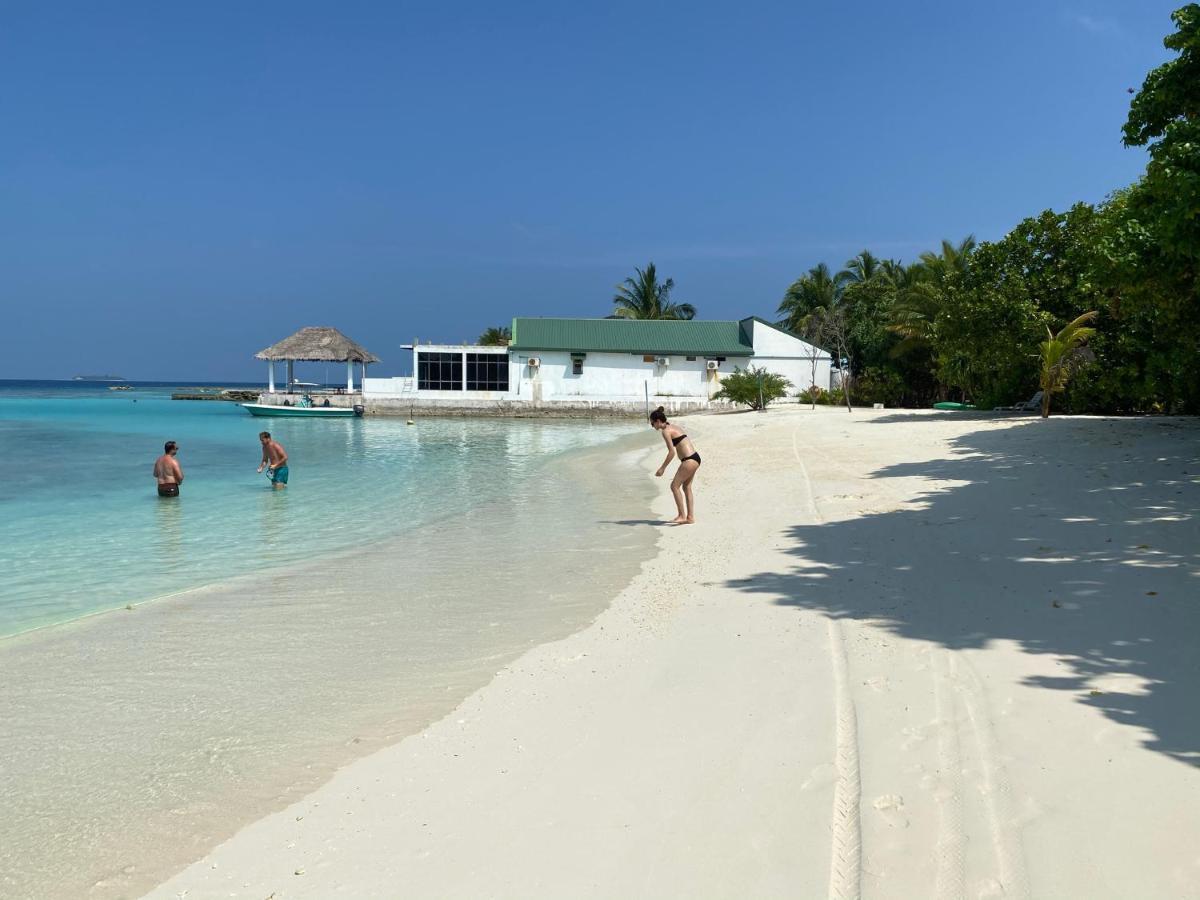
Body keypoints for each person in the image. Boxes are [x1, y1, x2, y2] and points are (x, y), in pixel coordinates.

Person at [649, 406, 700, 524]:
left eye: (652, 424)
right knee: (686, 487)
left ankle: (682, 515)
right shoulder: (672, 426)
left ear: (658, 421)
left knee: (674, 486)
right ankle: (690, 517)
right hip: (695, 458)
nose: (653, 427)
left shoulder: (666, 431)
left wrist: (662, 468)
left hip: (688, 460)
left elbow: (671, 452)